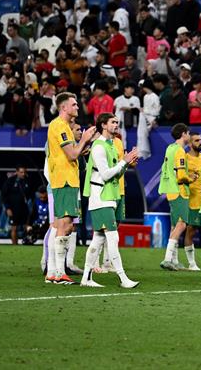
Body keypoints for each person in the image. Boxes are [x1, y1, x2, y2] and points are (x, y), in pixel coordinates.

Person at [80, 113, 140, 288]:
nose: (116, 125)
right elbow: (106, 175)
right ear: (103, 125)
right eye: (113, 122)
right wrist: (124, 161)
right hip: (100, 197)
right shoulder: (98, 147)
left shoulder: (111, 145)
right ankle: (123, 278)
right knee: (112, 238)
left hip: (109, 196)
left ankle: (86, 278)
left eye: (117, 122)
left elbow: (117, 173)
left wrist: (127, 163)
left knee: (98, 239)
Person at [45, 93, 96, 284]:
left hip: (66, 180)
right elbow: (72, 154)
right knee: (64, 226)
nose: (77, 107)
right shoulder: (60, 126)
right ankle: (59, 273)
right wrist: (85, 139)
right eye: (74, 104)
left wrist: (83, 145)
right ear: (64, 107)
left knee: (61, 225)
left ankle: (53, 273)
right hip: (65, 180)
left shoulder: (62, 126)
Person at [158, 123, 197, 270]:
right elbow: (181, 176)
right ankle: (167, 259)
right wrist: (190, 178)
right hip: (180, 190)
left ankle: (173, 260)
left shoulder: (170, 148)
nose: (189, 136)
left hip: (170, 191)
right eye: (188, 133)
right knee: (181, 224)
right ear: (183, 134)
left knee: (175, 225)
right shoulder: (180, 151)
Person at [184, 132, 201, 270]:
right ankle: (191, 263)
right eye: (197, 140)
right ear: (190, 143)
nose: (200, 142)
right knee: (191, 230)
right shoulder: (185, 159)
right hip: (191, 200)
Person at [2, 164, 32, 245]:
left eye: (24, 172)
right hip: (13, 209)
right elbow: (4, 196)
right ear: (17, 172)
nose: (23, 174)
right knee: (14, 227)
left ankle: (27, 243)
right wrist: (8, 208)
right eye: (21, 172)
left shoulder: (28, 180)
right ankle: (14, 245)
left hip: (24, 208)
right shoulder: (10, 181)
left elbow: (31, 194)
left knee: (27, 226)